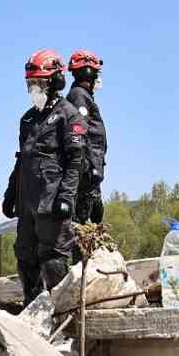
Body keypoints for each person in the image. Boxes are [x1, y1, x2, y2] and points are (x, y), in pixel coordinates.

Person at [2, 49, 88, 303]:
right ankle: (32, 314)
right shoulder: (27, 119)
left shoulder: (69, 114)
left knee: (52, 261)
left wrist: (66, 197)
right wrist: (10, 194)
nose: (34, 89)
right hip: (27, 204)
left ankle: (63, 317)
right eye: (30, 84)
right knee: (25, 259)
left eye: (38, 83)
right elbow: (22, 160)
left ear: (54, 82)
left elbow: (76, 160)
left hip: (52, 204)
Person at [65, 50, 107, 251]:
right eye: (97, 73)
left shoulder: (83, 97)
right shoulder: (79, 97)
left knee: (90, 225)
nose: (99, 78)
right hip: (85, 175)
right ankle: (81, 269)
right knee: (83, 228)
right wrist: (90, 169)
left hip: (89, 174)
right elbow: (80, 135)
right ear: (89, 73)